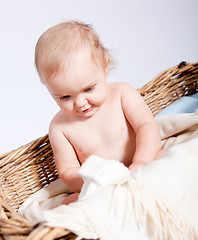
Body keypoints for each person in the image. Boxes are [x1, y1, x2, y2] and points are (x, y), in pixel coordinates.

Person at [35, 21, 162, 204]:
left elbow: (147, 127)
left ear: (105, 67)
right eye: (64, 97)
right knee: (68, 204)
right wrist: (93, 184)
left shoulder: (122, 94)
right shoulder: (59, 128)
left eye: (88, 89)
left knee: (168, 160)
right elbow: (68, 170)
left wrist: (141, 162)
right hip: (102, 185)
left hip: (143, 165)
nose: (80, 103)